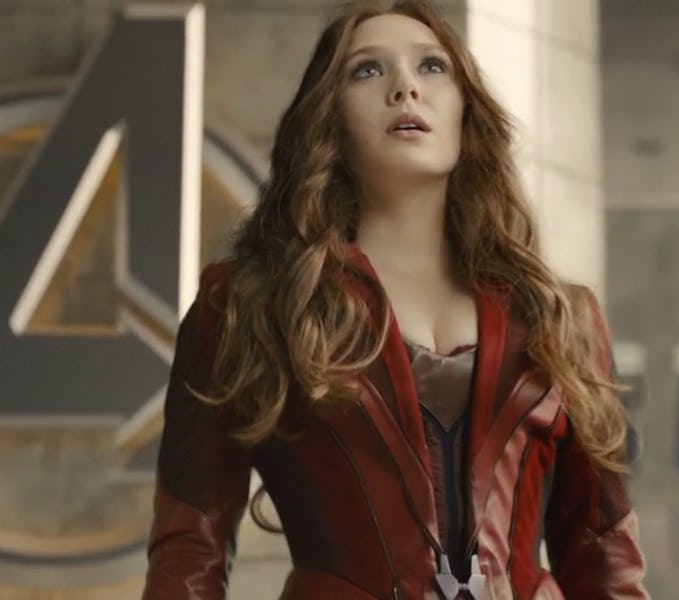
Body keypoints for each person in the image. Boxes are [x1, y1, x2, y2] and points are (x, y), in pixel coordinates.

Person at [142, 1, 650, 598]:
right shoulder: (247, 306)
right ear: (328, 117)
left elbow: (603, 553)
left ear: (466, 109)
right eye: (367, 70)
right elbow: (190, 548)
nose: (406, 88)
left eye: (432, 67)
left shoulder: (560, 319)